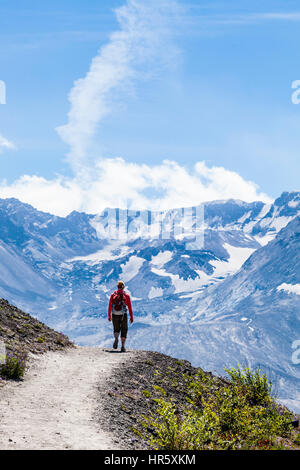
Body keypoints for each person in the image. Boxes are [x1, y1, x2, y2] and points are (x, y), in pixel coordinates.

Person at [108, 281, 133, 352]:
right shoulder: (126, 296)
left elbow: (110, 306)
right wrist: (131, 317)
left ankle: (116, 339)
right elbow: (130, 307)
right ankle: (122, 346)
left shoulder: (113, 295)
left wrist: (109, 315)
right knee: (124, 329)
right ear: (123, 287)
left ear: (117, 287)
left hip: (114, 314)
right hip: (123, 314)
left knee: (116, 328)